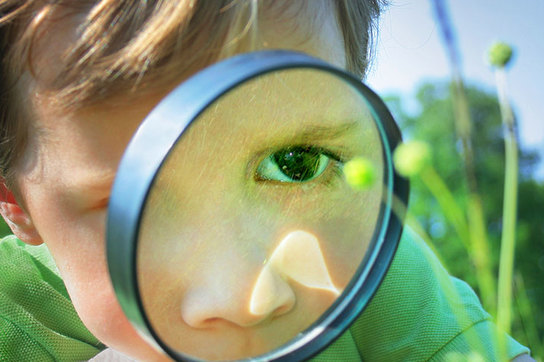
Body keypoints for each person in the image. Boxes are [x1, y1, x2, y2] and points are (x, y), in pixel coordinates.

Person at [0, 0, 533, 361]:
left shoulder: (369, 269)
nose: (247, 298)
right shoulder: (13, 316)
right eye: (132, 206)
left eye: (297, 164)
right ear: (17, 204)